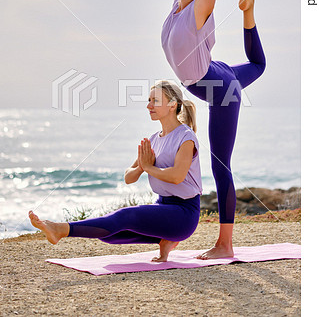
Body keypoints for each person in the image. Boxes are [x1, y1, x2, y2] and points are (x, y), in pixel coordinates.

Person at [161, 0, 266, 259]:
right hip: (215, 72)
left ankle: (225, 244)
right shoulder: (178, 6)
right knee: (258, 65)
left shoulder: (199, 7)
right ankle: (248, 9)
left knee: (221, 166)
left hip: (219, 89)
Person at [29, 81, 202, 262]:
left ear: (173, 104)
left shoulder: (186, 137)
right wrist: (142, 167)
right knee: (110, 234)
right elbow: (128, 177)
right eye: (149, 100)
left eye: (155, 101)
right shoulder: (154, 140)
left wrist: (149, 167)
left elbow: (177, 176)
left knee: (123, 217)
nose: (148, 105)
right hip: (163, 206)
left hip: (183, 213)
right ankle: (165, 239)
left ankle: (61, 229)